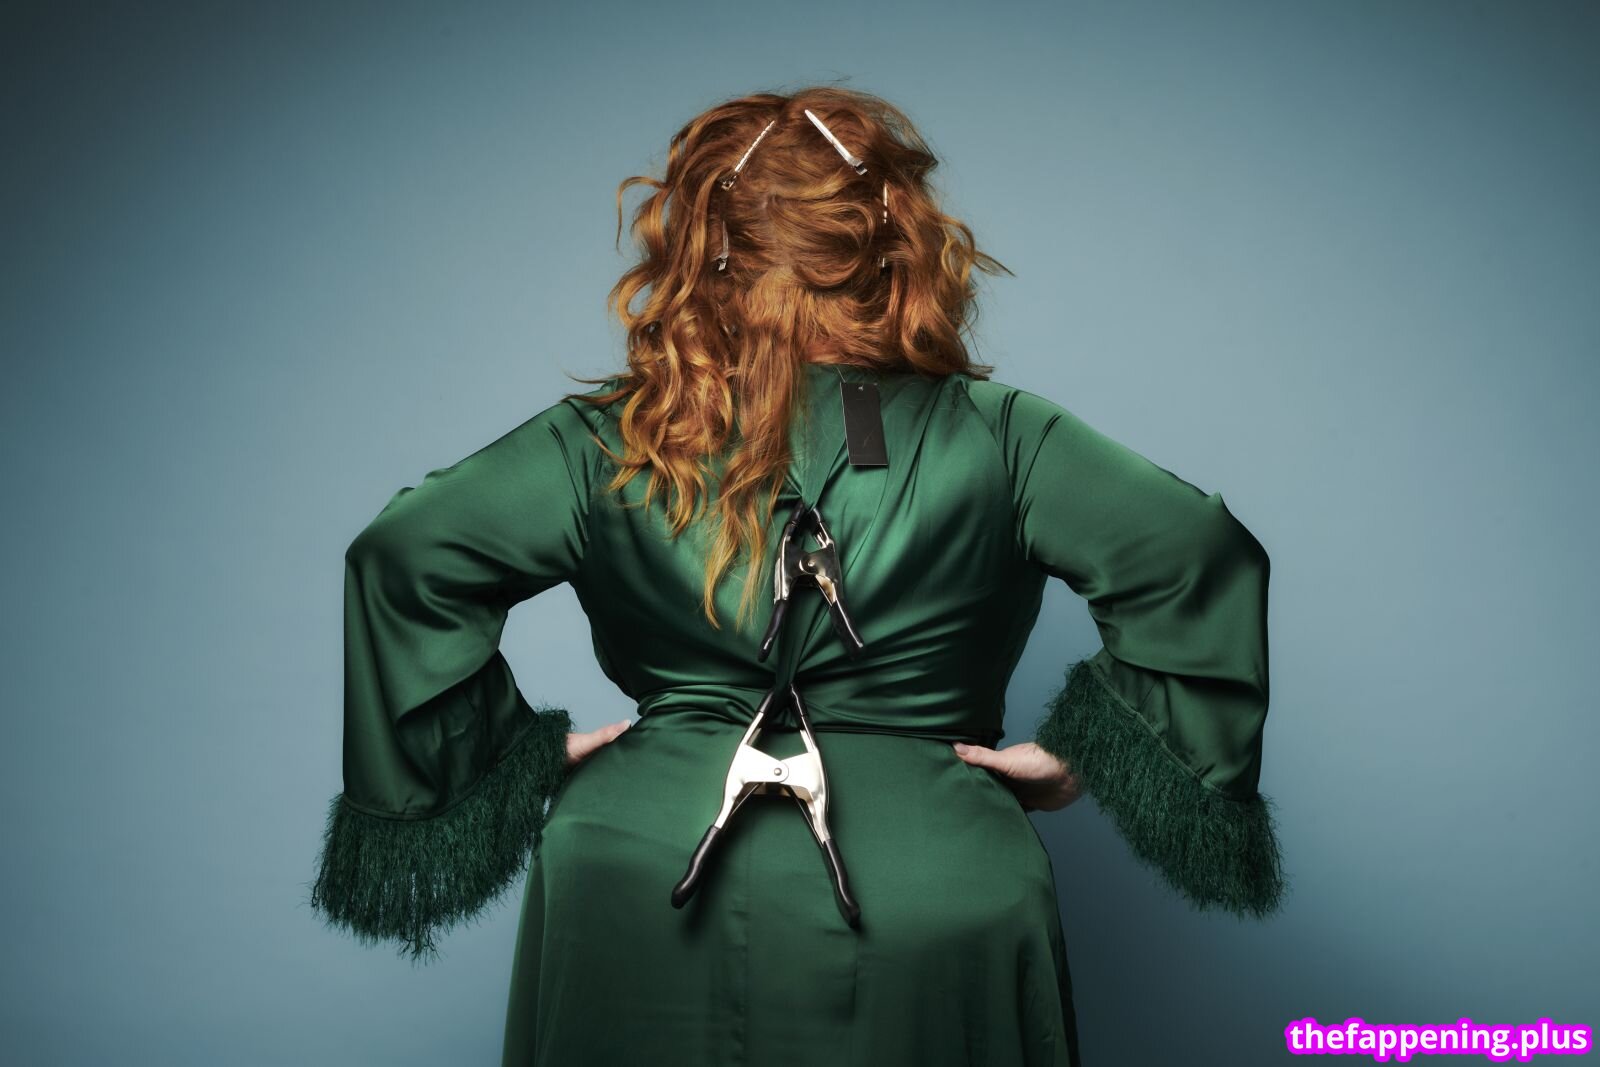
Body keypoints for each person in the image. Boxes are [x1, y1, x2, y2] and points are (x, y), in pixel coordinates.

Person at [307, 85, 1286, 1067]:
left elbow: (404, 556)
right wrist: (1084, 753)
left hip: (630, 879)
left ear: (699, 247)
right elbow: (1199, 555)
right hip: (934, 888)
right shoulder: (1002, 437)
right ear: (894, 240)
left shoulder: (608, 439)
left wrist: (507, 753)